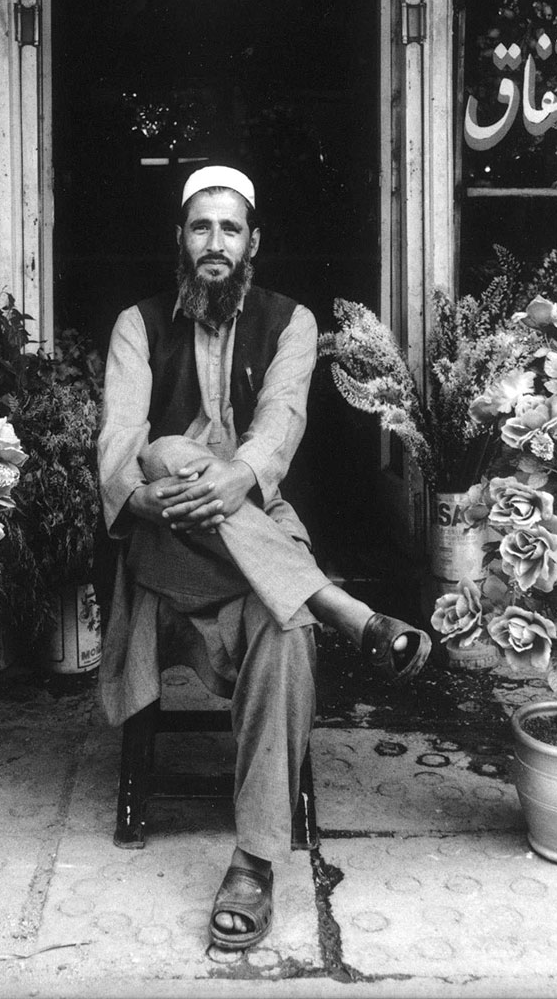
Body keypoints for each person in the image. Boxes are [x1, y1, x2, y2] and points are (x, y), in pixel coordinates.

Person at [96, 163, 432, 953]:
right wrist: (155, 488)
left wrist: (237, 479)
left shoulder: (292, 322)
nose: (215, 243)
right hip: (163, 543)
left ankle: (253, 863)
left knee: (285, 633)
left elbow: (280, 421)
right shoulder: (137, 324)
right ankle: (341, 606)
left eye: (231, 228)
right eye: (200, 227)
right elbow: (120, 442)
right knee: (170, 449)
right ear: (179, 238)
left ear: (255, 241)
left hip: (255, 529)